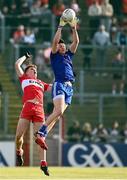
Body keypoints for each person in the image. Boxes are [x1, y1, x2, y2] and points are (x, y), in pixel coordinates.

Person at [34, 14, 79, 150]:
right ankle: (40, 132)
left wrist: (74, 28)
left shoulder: (68, 55)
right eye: (60, 45)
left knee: (58, 115)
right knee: (58, 111)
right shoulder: (54, 56)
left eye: (63, 45)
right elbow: (54, 43)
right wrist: (60, 26)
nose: (62, 46)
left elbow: (76, 42)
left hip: (70, 88)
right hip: (59, 83)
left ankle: (43, 135)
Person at [15, 52, 52, 176]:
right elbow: (17, 64)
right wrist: (25, 56)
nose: (35, 71)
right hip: (27, 107)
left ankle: (43, 163)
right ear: (26, 72)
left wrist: (66, 81)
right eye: (32, 69)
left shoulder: (41, 83)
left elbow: (54, 87)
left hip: (39, 110)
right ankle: (19, 151)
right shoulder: (24, 78)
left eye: (36, 70)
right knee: (18, 136)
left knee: (40, 138)